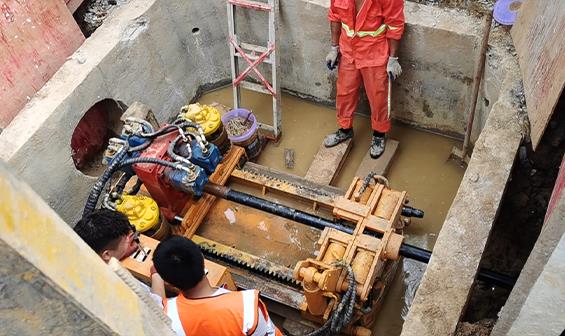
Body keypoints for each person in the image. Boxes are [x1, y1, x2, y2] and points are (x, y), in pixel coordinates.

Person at [153, 236, 282, 336]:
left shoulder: (169, 320)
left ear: (168, 283)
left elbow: (157, 309)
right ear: (202, 258)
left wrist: (156, 276)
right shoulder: (246, 308)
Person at [324, 0, 405, 159]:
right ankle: (345, 130)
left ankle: (379, 135)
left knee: (378, 97)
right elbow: (334, 16)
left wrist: (393, 59)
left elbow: (395, 25)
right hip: (349, 51)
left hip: (374, 53)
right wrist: (334, 48)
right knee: (344, 92)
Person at [74, 208, 166, 307]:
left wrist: (118, 253)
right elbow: (160, 309)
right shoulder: (120, 286)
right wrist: (157, 273)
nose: (131, 238)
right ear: (106, 255)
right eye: (126, 239)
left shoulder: (79, 253)